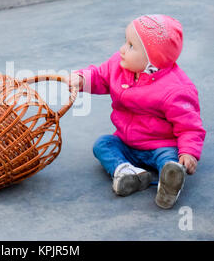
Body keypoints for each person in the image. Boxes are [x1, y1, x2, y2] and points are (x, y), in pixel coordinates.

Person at [68, 14, 206, 209]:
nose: (122, 49)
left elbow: (190, 127)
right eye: (126, 42)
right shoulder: (119, 65)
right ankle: (126, 172)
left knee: (170, 158)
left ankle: (170, 180)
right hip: (127, 142)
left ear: (153, 60)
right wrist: (83, 79)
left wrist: (189, 152)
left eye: (131, 46)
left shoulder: (176, 90)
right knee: (103, 145)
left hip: (160, 145)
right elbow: (100, 76)